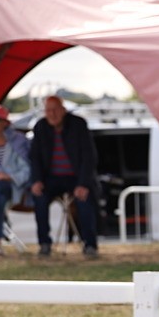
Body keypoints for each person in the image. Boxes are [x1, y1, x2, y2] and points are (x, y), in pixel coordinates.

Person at [29, 96, 99, 258]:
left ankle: (90, 244)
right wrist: (37, 180)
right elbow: (35, 157)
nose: (52, 114)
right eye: (48, 110)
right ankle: (44, 244)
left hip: (76, 177)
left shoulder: (78, 125)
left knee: (84, 199)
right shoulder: (40, 127)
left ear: (63, 110)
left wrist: (83, 183)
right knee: (39, 198)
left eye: (55, 110)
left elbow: (89, 157)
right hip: (51, 178)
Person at [0, 104, 31, 257]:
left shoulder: (18, 142)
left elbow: (27, 170)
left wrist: (7, 176)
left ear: (5, 122)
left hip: (13, 186)